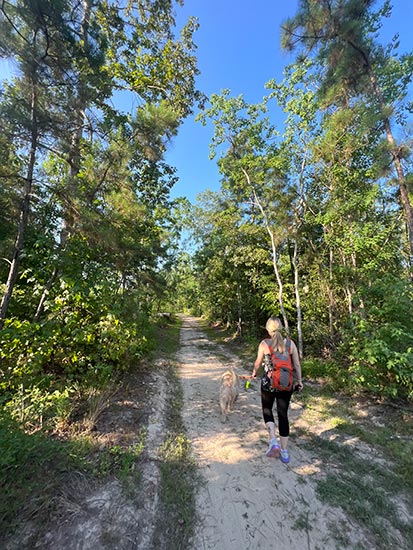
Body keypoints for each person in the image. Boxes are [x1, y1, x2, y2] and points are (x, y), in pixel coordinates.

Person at [251, 317, 303, 464]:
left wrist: (254, 373)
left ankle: (273, 440)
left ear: (268, 329)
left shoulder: (264, 344)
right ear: (280, 328)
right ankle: (284, 452)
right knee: (283, 415)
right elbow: (297, 365)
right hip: (286, 384)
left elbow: (257, 363)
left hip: (268, 383)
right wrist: (299, 381)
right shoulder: (290, 343)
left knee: (267, 410)